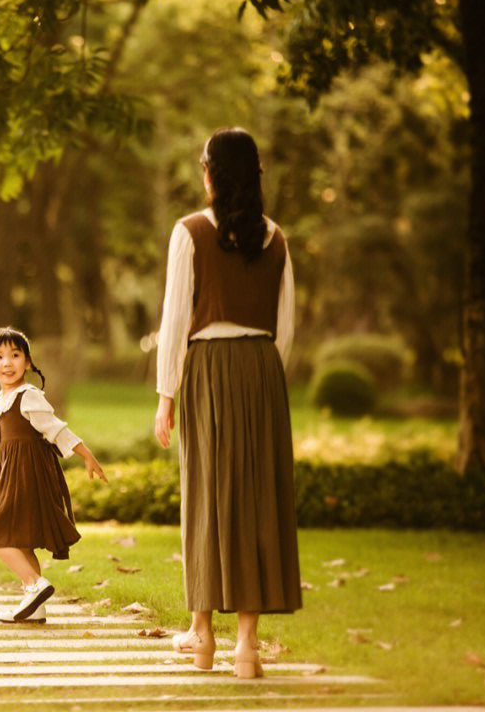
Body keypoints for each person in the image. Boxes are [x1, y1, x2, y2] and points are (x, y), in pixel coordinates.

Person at [153, 128, 302, 679]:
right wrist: (262, 374)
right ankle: (248, 646)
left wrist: (166, 394)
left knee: (206, 495)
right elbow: (285, 327)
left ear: (212, 172)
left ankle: (202, 639)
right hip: (262, 371)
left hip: (208, 368)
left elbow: (174, 323)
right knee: (258, 501)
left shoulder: (189, 232)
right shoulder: (275, 237)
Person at [0, 326, 107, 623]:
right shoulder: (3, 400)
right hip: (13, 472)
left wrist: (86, 454)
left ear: (27, 361)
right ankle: (35, 606)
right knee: (21, 540)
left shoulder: (29, 396)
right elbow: (12, 440)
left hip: (29, 474)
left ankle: (36, 585)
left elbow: (55, 429)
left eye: (14, 355)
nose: (7, 363)